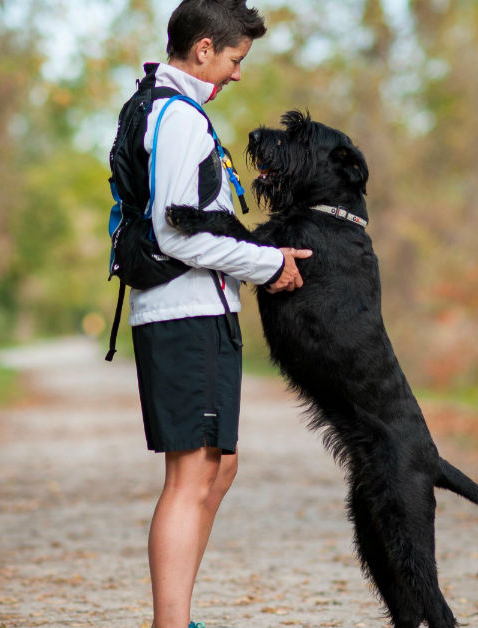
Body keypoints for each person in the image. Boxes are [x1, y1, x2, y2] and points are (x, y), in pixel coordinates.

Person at [125, 2, 312, 627]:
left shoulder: (168, 108)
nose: (237, 74)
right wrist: (266, 264)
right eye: (235, 59)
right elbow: (176, 233)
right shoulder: (177, 118)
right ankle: (170, 624)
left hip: (198, 310)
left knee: (218, 465)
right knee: (191, 474)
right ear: (203, 49)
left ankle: (178, 618)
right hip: (184, 314)